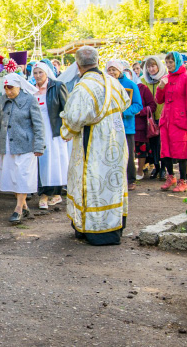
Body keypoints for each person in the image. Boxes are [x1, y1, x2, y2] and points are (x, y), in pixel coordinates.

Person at [60, 46, 130, 246]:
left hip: (93, 144)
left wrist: (66, 132)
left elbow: (73, 118)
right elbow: (124, 103)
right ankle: (114, 227)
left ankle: (92, 229)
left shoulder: (83, 88)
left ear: (78, 65)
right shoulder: (112, 82)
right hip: (115, 141)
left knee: (93, 182)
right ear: (97, 61)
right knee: (113, 182)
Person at [0, 73, 45, 224]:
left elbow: (38, 125)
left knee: (23, 175)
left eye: (11, 88)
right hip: (7, 144)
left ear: (19, 86)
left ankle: (18, 209)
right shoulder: (2, 100)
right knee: (13, 176)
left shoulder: (29, 100)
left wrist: (39, 145)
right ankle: (24, 206)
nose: (8, 91)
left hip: (25, 145)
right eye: (6, 88)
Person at [31, 62, 69, 209]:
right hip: (39, 130)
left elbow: (66, 108)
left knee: (57, 162)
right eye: (35, 73)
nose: (38, 76)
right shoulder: (32, 89)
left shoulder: (57, 86)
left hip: (54, 129)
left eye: (40, 72)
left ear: (47, 72)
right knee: (42, 161)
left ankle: (56, 193)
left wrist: (67, 128)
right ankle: (44, 194)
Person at [155, 51, 187, 192]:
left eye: (171, 62)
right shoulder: (165, 78)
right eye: (167, 62)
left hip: (181, 121)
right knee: (165, 152)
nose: (169, 65)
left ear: (177, 62)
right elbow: (159, 100)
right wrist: (161, 87)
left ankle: (182, 181)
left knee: (181, 153)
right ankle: (171, 177)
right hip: (166, 121)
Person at [106, 60, 143, 190]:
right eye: (109, 70)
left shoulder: (130, 84)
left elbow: (138, 105)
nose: (111, 73)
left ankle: (131, 179)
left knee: (128, 154)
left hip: (126, 126)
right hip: (109, 126)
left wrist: (124, 113)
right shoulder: (105, 84)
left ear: (120, 70)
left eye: (113, 70)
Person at [141, 56, 168, 179]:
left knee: (163, 143)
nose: (151, 69)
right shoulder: (143, 81)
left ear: (158, 66)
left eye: (153, 66)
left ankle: (164, 168)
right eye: (149, 67)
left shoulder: (165, 79)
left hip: (164, 115)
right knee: (153, 144)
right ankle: (156, 167)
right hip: (150, 118)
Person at [134, 72, 158, 181]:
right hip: (124, 124)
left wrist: (140, 112)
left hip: (140, 125)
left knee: (141, 149)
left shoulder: (142, 88)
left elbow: (152, 105)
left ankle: (140, 170)